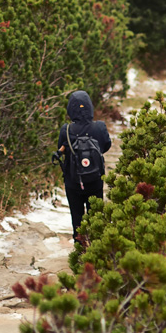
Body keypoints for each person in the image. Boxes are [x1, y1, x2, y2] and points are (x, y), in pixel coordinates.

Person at [54, 90, 111, 239]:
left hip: (73, 181)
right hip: (95, 179)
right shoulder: (99, 127)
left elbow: (62, 148)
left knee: (77, 218)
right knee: (96, 217)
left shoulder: (66, 130)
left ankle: (80, 251)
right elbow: (106, 146)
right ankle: (96, 249)